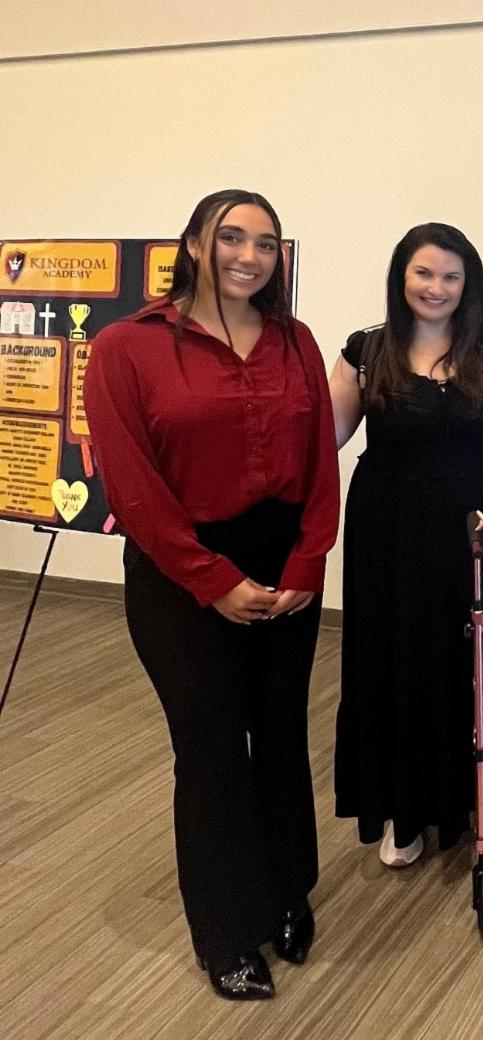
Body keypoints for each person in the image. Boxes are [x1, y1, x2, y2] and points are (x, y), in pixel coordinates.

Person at [84, 190, 339, 999]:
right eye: (231, 237)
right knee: (211, 750)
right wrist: (212, 580)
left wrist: (307, 564)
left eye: (265, 244)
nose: (249, 257)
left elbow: (320, 464)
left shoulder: (296, 341)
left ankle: (288, 893)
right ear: (194, 243)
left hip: (283, 560)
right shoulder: (126, 347)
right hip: (178, 570)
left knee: (282, 735)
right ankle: (226, 930)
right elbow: (132, 484)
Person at [329, 223, 483, 868]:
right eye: (424, 273)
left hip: (479, 530)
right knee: (395, 662)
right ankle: (403, 809)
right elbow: (321, 438)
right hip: (388, 532)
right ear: (401, 277)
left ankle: (480, 795)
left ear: (468, 283)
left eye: (451, 276)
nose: (436, 287)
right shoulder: (365, 351)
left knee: (482, 664)